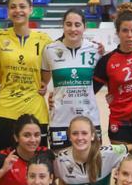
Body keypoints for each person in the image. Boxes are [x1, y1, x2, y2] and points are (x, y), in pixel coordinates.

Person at [0, 0, 53, 150]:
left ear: (31, 9)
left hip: (36, 111)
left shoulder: (44, 40)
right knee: (7, 163)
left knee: (38, 166)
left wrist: (44, 83)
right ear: (8, 11)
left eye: (22, 6)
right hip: (6, 111)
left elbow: (52, 63)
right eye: (13, 7)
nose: (18, 10)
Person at [93, 3, 132, 145]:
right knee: (123, 165)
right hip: (120, 122)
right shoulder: (106, 61)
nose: (129, 36)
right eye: (125, 31)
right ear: (117, 32)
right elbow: (89, 91)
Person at [42, 9, 99, 151]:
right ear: (63, 26)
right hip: (60, 121)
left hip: (89, 119)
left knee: (92, 167)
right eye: (68, 24)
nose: (73, 29)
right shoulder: (49, 50)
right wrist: (51, 94)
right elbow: (43, 81)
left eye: (77, 24)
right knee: (61, 168)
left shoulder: (96, 49)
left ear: (84, 27)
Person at [54, 116, 128, 185]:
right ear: (69, 137)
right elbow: (50, 181)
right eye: (75, 133)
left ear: (92, 136)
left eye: (84, 133)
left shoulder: (107, 153)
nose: (80, 137)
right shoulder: (60, 159)